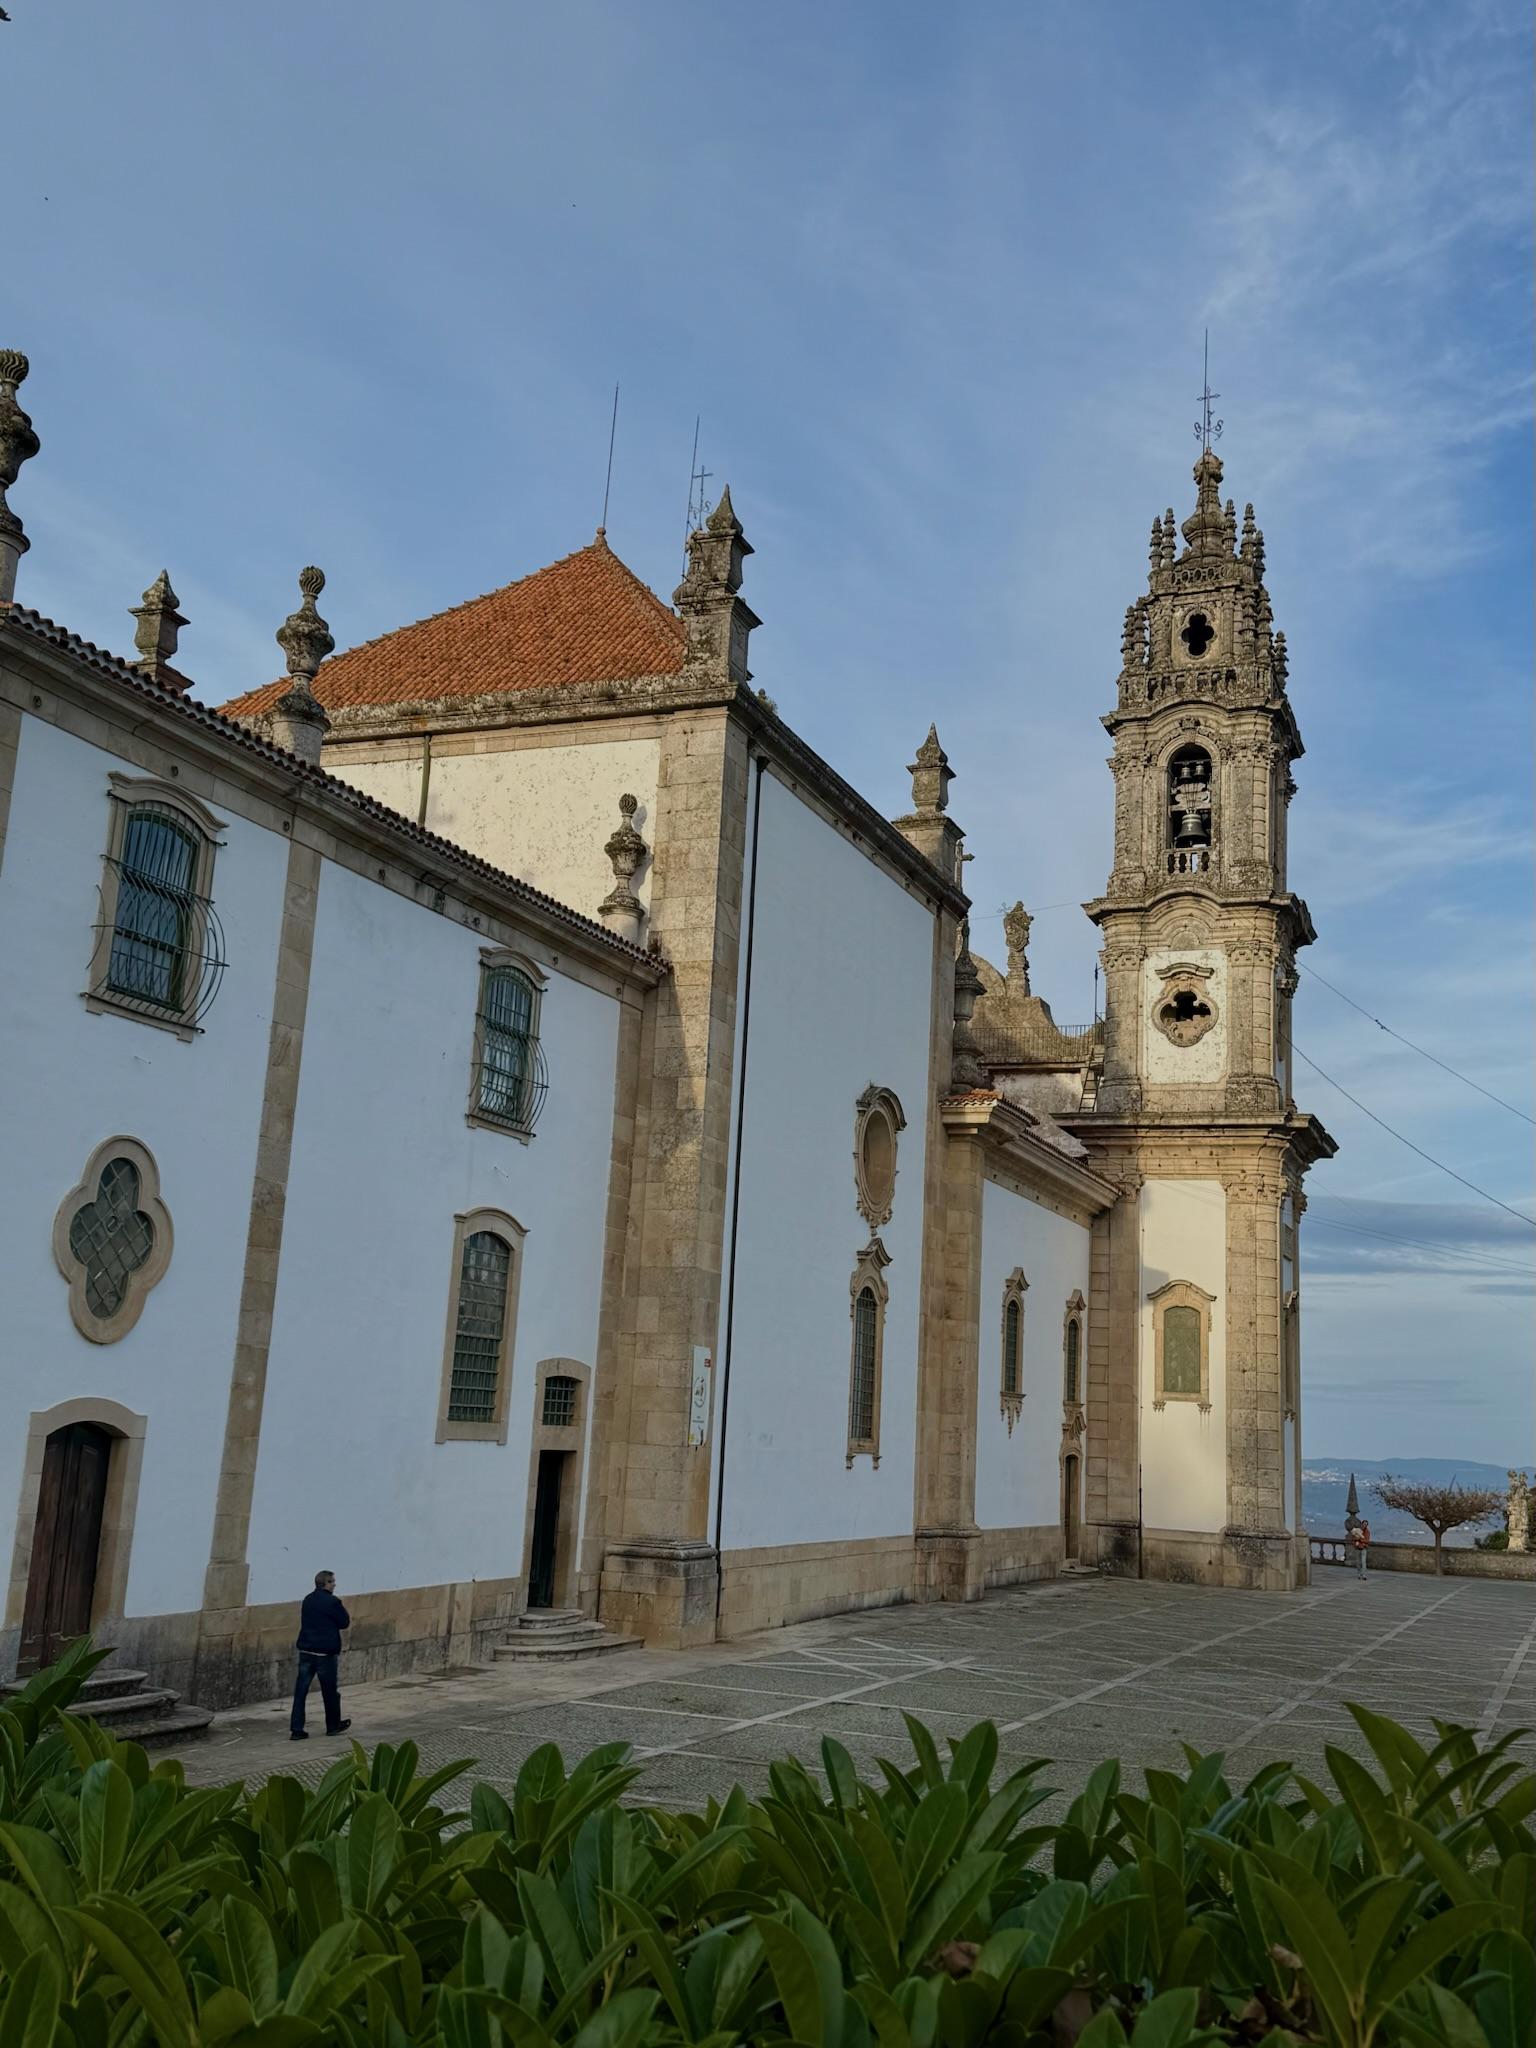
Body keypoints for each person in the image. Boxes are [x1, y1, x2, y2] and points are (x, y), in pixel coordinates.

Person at [290, 1569, 352, 1739]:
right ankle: (332, 1725)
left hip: (306, 1650)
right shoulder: (332, 1602)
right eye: (332, 1581)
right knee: (330, 1691)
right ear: (325, 1584)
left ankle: (296, 1729)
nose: (334, 1584)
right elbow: (344, 1622)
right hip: (325, 1652)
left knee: (301, 1691)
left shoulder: (308, 1600)